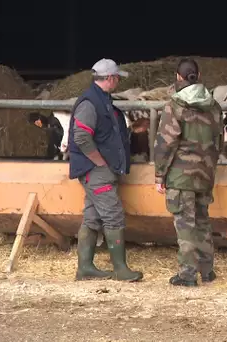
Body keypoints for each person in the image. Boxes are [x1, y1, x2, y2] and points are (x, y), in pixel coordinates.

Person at [68, 58, 142, 282]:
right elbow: (81, 136)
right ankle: (120, 269)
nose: (118, 80)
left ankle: (85, 268)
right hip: (95, 171)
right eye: (117, 77)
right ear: (109, 78)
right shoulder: (90, 103)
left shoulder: (103, 101)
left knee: (92, 217)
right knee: (113, 216)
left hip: (99, 170)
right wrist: (99, 161)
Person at [154, 58, 224, 287]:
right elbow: (219, 141)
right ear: (199, 74)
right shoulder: (214, 106)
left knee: (185, 225)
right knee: (202, 221)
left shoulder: (174, 106)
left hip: (180, 176)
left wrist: (159, 175)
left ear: (178, 77)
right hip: (205, 175)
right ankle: (207, 270)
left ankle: (187, 274)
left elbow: (166, 144)